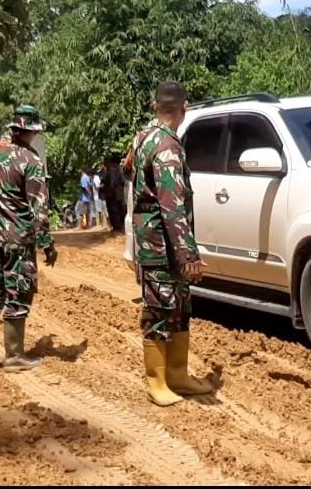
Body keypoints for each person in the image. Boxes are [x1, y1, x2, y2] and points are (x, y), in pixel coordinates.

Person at [126, 81, 212, 406]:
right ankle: (157, 382)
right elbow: (171, 204)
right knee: (160, 310)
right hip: (161, 247)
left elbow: (127, 167)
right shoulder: (166, 146)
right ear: (184, 107)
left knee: (179, 308)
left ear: (155, 106)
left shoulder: (143, 138)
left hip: (157, 244)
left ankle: (177, 374)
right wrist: (188, 253)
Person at [0, 105, 58, 372]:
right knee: (18, 294)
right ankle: (14, 356)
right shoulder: (31, 162)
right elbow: (38, 211)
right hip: (18, 239)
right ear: (30, 132)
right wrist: (47, 245)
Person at [100, 156, 127, 233]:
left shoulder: (110, 171)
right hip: (118, 193)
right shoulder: (119, 170)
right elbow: (123, 181)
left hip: (112, 194)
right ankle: (120, 226)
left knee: (113, 211)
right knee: (119, 209)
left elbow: (107, 180)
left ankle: (117, 227)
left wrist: (110, 191)